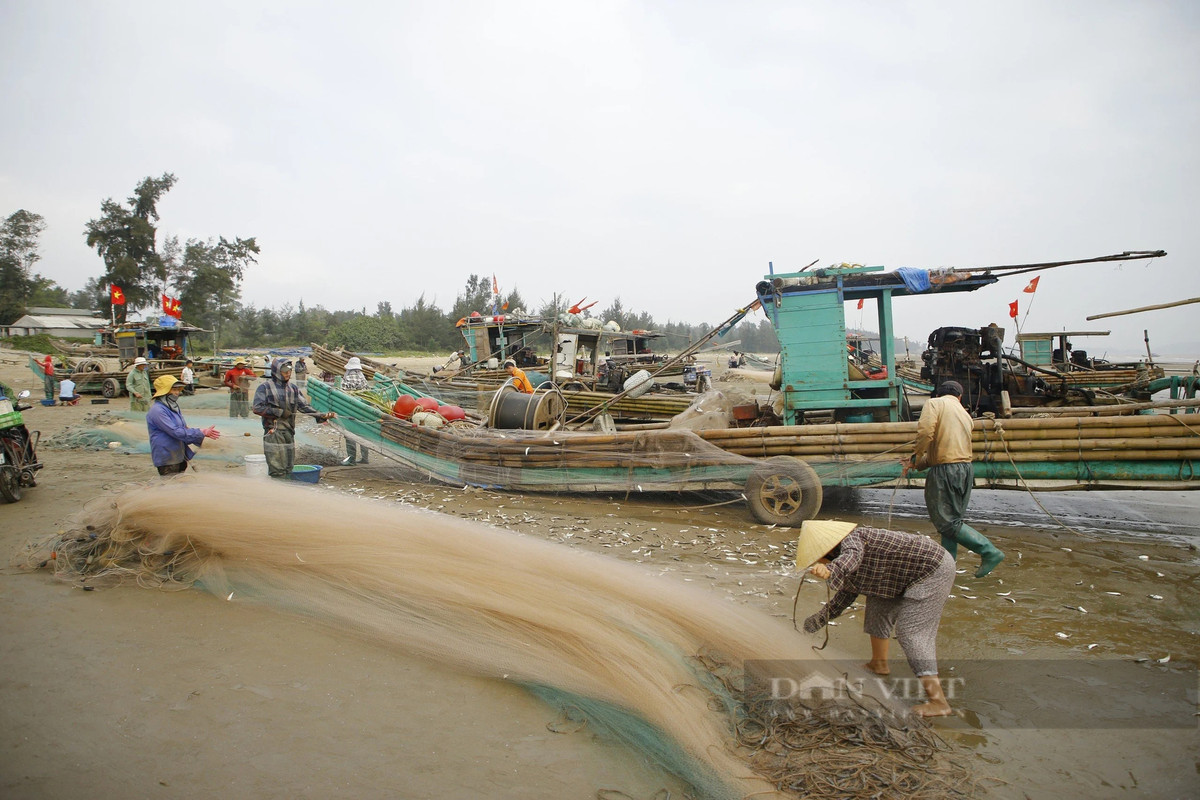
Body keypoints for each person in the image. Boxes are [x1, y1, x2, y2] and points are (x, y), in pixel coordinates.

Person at [797, 520, 956, 718]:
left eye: (819, 558)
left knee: (911, 632)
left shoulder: (852, 540)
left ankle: (938, 702)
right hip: (897, 577)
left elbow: (851, 557)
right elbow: (844, 598)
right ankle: (878, 664)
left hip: (932, 569)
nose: (820, 563)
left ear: (827, 549)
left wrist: (832, 570)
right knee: (876, 611)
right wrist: (814, 623)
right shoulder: (844, 560)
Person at [906, 380, 1004, 578]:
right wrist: (916, 464)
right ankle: (947, 568)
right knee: (952, 520)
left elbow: (925, 432)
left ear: (938, 394)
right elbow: (946, 450)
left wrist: (915, 455)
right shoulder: (964, 414)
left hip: (946, 471)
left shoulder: (934, 404)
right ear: (959, 397)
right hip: (964, 469)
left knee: (947, 522)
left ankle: (989, 551)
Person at [252, 357, 336, 478]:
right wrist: (279, 412)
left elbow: (304, 406)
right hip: (273, 432)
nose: (288, 373)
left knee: (288, 465)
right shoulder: (265, 388)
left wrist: (321, 415)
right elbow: (257, 408)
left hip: (289, 431)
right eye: (284, 370)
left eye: (289, 370)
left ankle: (286, 490)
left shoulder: (293, 389)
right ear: (276, 371)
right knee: (277, 466)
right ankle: (278, 488)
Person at [146, 375, 219, 476]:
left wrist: (201, 436)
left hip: (178, 454)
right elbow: (176, 432)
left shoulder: (172, 407)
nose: (177, 393)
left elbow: (184, 429)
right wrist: (200, 432)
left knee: (180, 484)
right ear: (164, 392)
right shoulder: (158, 411)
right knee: (170, 486)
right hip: (167, 457)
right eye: (173, 390)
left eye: (178, 389)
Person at [339, 357, 370, 466]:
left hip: (350, 410)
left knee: (350, 434)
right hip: (362, 411)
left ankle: (352, 459)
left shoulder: (347, 378)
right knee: (362, 434)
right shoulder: (363, 379)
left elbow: (341, 392)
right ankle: (365, 458)